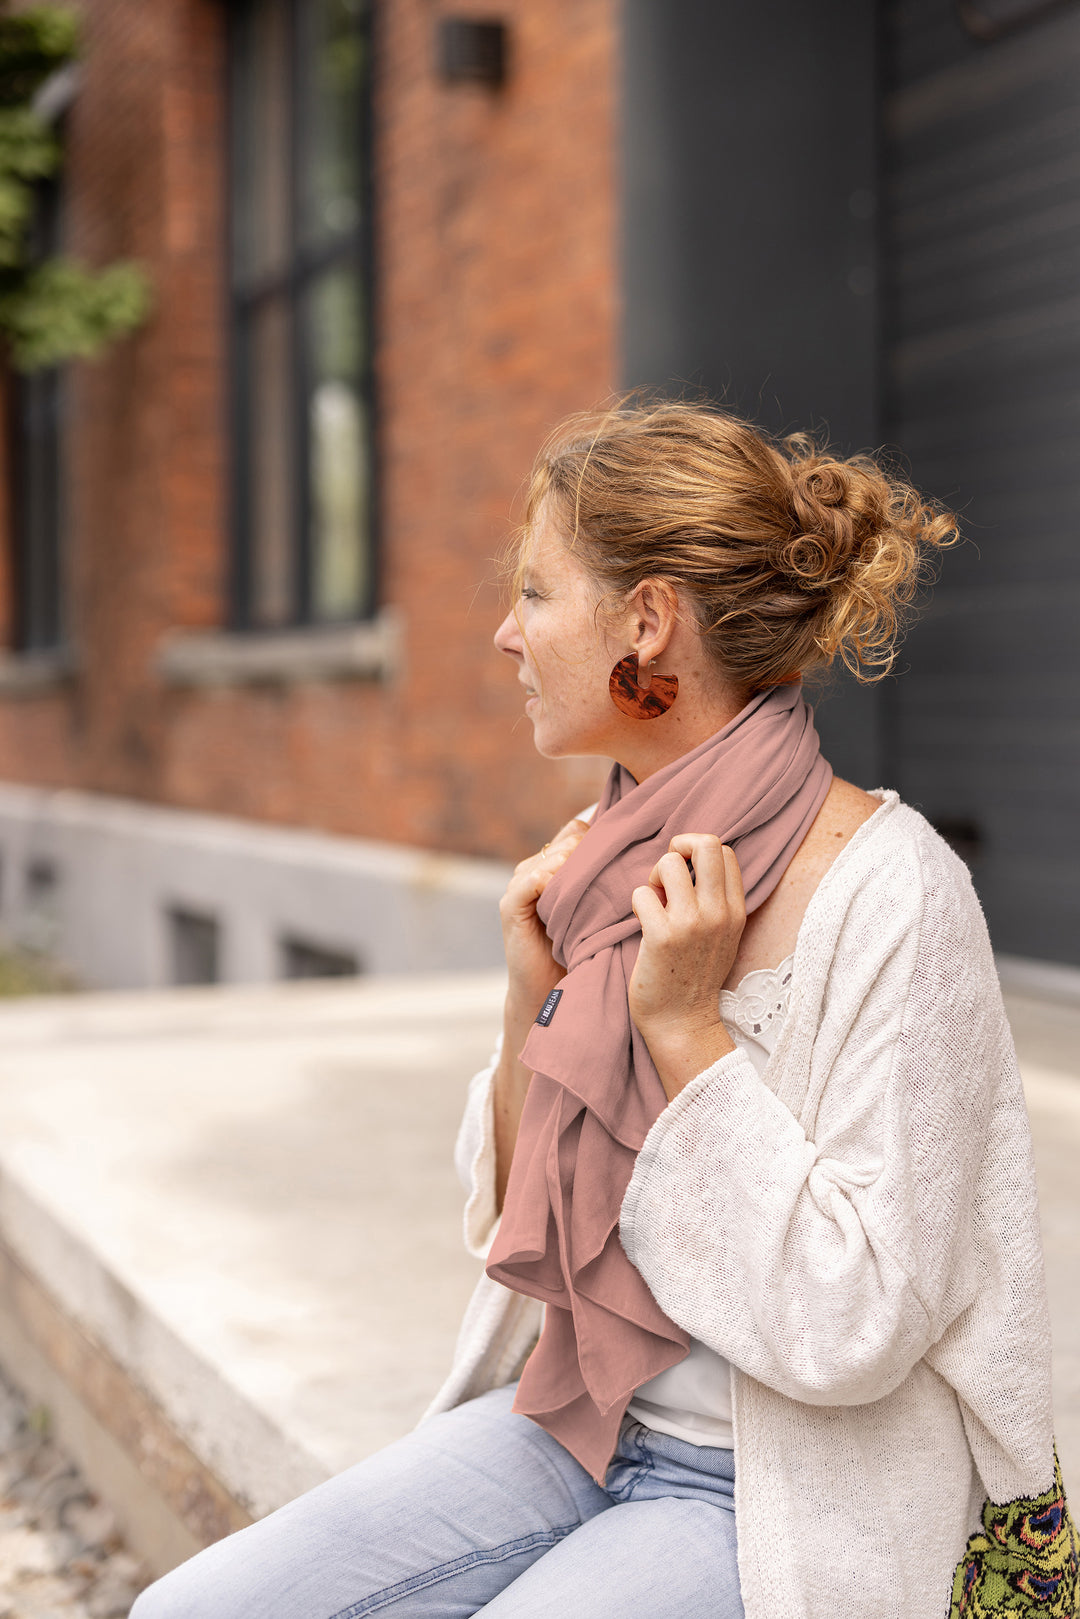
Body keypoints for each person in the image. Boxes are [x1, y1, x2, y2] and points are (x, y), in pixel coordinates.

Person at [132, 400, 1077, 1619]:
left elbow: (859, 1323)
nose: (501, 634)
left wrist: (689, 1036)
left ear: (647, 622)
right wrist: (533, 990)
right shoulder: (602, 866)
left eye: (534, 593)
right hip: (577, 1415)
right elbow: (517, 1236)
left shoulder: (895, 893)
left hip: (777, 1482)